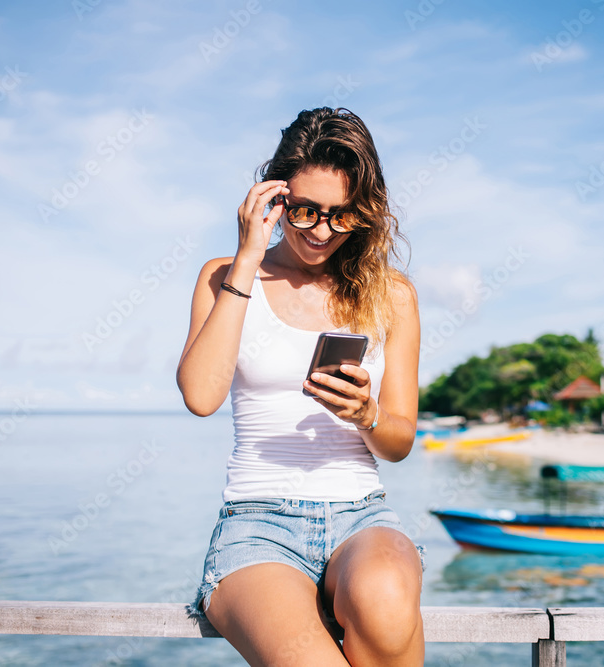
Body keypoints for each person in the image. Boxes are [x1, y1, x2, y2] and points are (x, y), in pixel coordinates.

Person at [177, 107, 424, 666]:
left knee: (384, 598)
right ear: (276, 198)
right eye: (307, 211)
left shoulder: (393, 296)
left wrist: (366, 414)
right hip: (257, 520)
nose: (321, 231)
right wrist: (247, 256)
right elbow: (201, 395)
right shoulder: (223, 275)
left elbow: (400, 441)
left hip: (362, 516)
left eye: (341, 217)